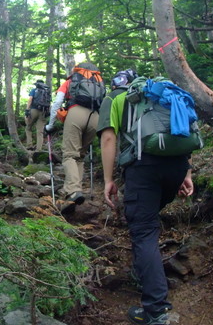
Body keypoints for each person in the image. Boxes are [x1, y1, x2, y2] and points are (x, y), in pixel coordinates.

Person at [98, 69, 194, 325]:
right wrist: (187, 173)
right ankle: (147, 270)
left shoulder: (116, 98)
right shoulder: (162, 92)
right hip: (175, 166)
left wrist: (109, 180)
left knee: (143, 230)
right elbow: (183, 129)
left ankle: (156, 310)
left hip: (143, 168)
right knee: (148, 223)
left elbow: (109, 137)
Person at [45, 62, 105, 208]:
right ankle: (71, 189)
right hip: (95, 117)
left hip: (76, 113)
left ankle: (74, 190)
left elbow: (57, 102)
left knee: (70, 154)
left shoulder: (71, 81)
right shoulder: (99, 83)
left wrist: (50, 125)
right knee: (80, 155)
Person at [25, 79, 49, 152]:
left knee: (28, 127)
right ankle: (38, 149)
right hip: (43, 112)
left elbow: (30, 99)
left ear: (36, 84)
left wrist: (27, 110)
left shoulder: (34, 90)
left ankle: (29, 145)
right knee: (40, 131)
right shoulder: (46, 92)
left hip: (34, 110)